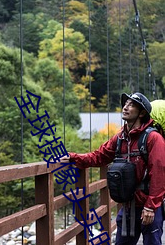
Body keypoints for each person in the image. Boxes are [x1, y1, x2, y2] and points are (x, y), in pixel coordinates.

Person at [60, 92, 165, 245]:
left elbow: (159, 174)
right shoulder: (120, 138)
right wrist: (73, 157)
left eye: (131, 105)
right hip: (128, 206)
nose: (125, 107)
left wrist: (151, 207)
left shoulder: (153, 138)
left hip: (148, 208)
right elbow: (98, 156)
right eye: (126, 103)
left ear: (142, 113)